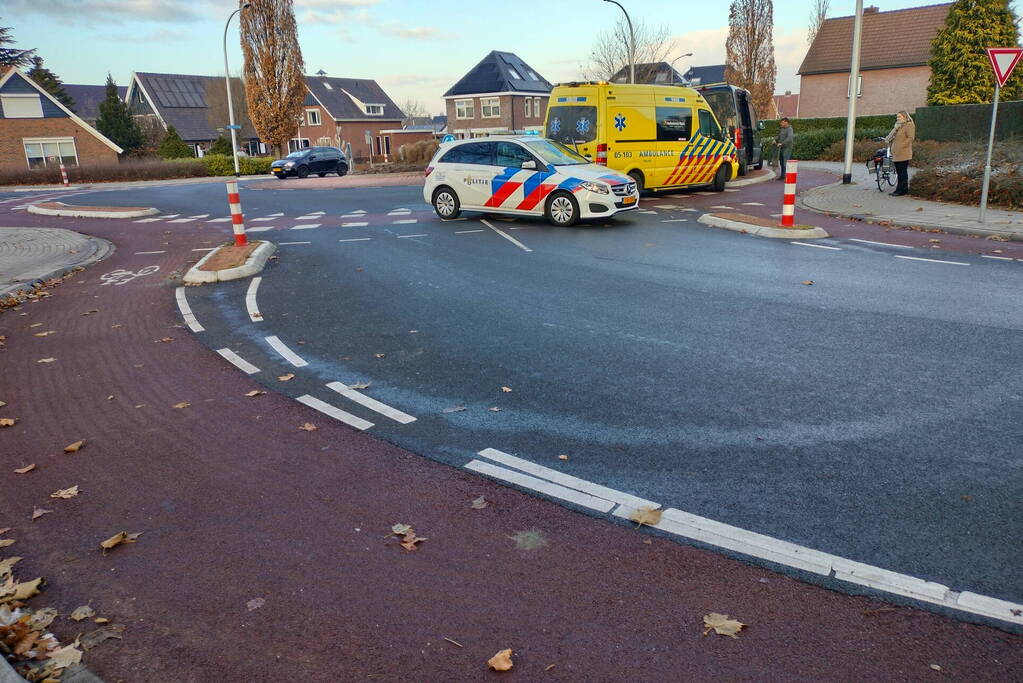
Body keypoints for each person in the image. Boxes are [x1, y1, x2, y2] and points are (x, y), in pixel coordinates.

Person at [885, 111, 915, 196]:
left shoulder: (909, 125)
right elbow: (892, 137)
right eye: (897, 117)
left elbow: (911, 138)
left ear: (905, 117)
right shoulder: (898, 126)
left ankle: (901, 190)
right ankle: (900, 189)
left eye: (899, 117)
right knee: (899, 172)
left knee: (902, 172)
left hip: (903, 152)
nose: (897, 118)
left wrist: (901, 146)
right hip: (896, 153)